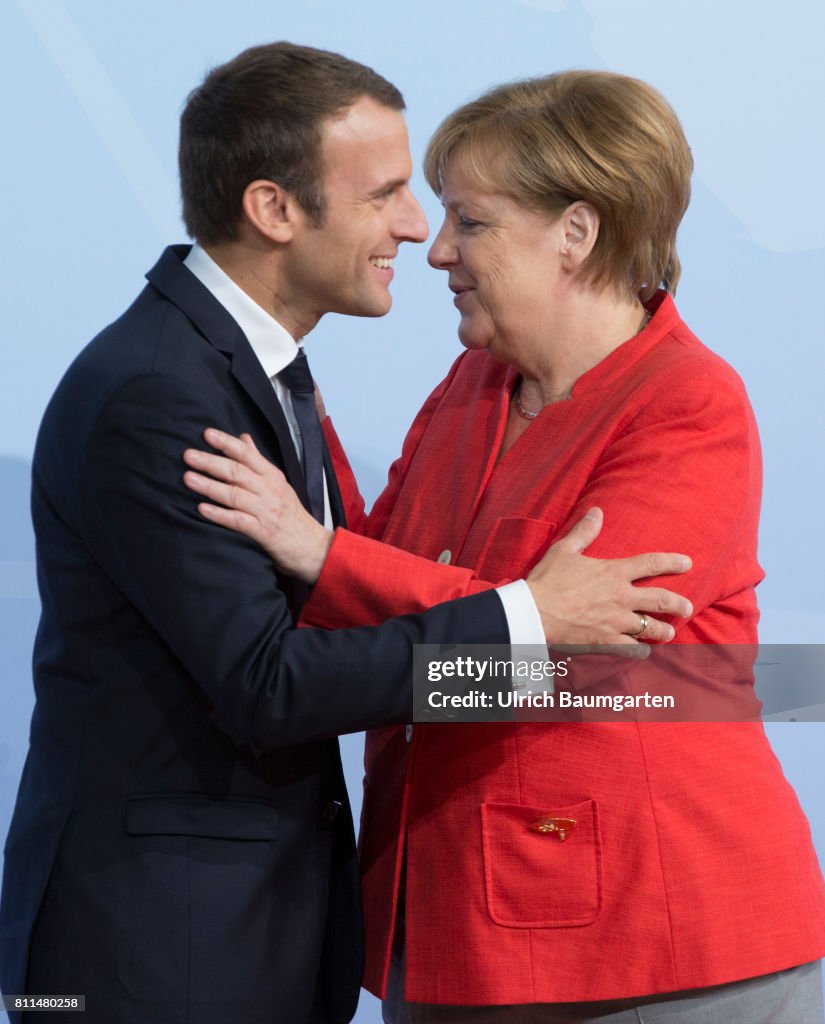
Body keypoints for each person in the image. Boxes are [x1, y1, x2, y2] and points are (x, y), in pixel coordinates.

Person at [0, 46, 694, 1024]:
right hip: (154, 950)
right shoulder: (164, 394)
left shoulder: (264, 375)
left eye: (450, 210)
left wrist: (520, 635)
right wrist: (527, 620)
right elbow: (270, 683)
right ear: (276, 211)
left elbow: (365, 600)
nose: (418, 230)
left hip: (253, 931)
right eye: (387, 195)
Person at [184, 71, 825, 1021]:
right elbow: (404, 606)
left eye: (469, 222)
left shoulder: (689, 405)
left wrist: (326, 557)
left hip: (657, 941)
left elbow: (575, 664)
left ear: (576, 231)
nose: (436, 249)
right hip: (456, 921)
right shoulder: (469, 386)